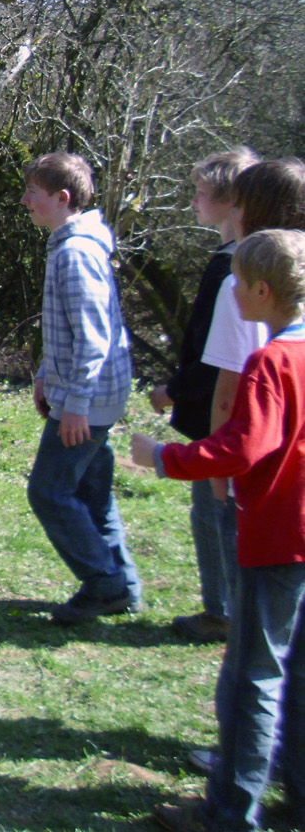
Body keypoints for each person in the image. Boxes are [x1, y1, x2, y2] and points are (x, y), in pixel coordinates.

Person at [132, 229, 305, 832]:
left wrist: (164, 457)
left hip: (278, 537)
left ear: (261, 291)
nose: (228, 292)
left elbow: (241, 448)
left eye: (235, 283)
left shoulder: (271, 362)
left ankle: (229, 812)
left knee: (251, 677)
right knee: (296, 672)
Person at [20, 151, 142, 625]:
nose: (25, 200)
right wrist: (45, 374)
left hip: (88, 400)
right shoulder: (70, 245)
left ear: (62, 197)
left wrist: (76, 406)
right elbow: (66, 330)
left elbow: (93, 337)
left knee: (49, 492)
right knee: (92, 493)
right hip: (88, 394)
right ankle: (123, 584)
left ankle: (104, 585)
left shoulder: (75, 253)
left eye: (33, 192)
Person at [148, 149, 258, 643]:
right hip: (236, 412)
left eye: (200, 191)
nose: (192, 200)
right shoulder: (253, 258)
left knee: (214, 512)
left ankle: (224, 612)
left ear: (231, 199)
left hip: (220, 414)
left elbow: (216, 356)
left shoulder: (233, 267)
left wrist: (173, 391)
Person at [197, 159, 305, 634]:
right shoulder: (296, 273)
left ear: (251, 210)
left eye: (238, 202)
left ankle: (230, 619)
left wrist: (215, 465)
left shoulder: (238, 284)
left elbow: (228, 389)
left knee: (253, 600)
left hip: (252, 462)